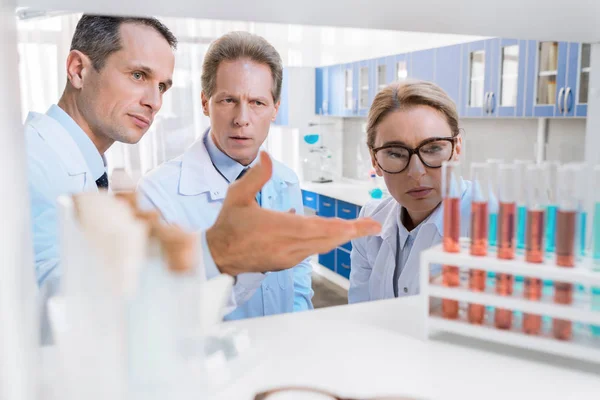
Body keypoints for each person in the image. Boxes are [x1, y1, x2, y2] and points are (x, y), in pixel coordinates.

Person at [25, 15, 380, 343]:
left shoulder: (80, 166)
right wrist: (216, 254)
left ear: (275, 107)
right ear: (77, 69)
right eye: (138, 75)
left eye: (162, 86)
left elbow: (296, 277)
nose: (153, 101)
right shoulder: (30, 163)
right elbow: (55, 313)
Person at [137, 31, 312, 319]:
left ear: (275, 110)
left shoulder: (286, 180)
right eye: (228, 100)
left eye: (257, 102)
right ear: (205, 103)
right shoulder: (159, 193)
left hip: (283, 352)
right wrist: (255, 263)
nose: (242, 118)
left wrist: (298, 322)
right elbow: (164, 310)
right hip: (208, 359)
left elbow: (299, 268)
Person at [348, 80, 471, 303]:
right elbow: (360, 314)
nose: (416, 172)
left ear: (457, 149)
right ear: (374, 159)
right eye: (396, 153)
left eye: (433, 149)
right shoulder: (370, 220)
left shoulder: (493, 225)